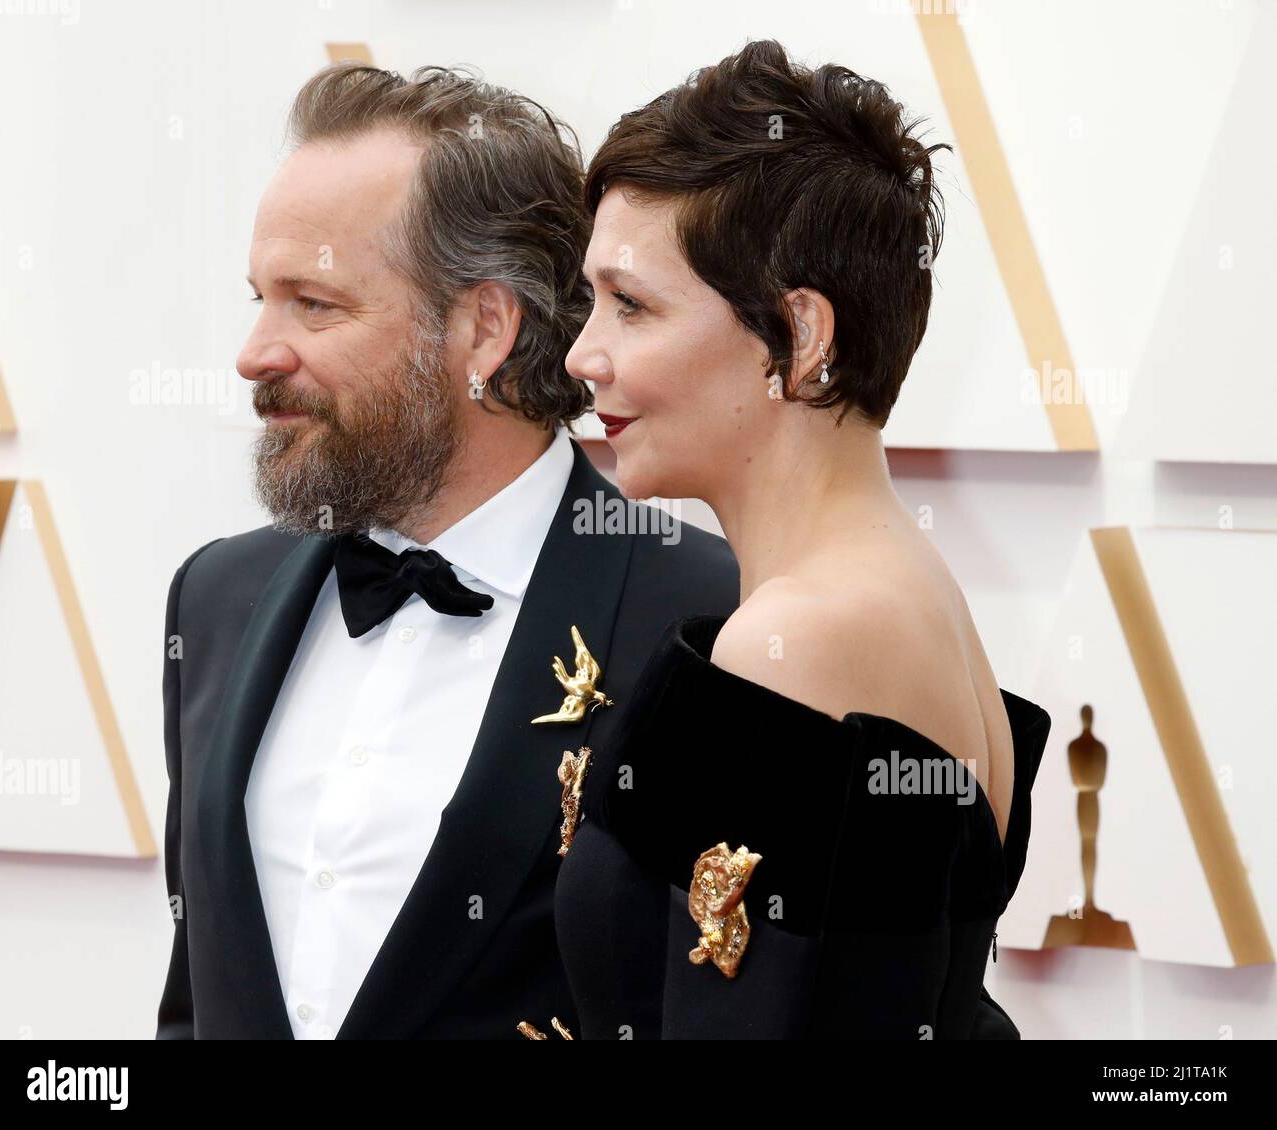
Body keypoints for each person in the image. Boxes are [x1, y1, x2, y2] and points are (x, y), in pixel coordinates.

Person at [155, 61, 738, 1039]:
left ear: (485, 329)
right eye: (259, 296)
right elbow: (195, 999)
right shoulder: (213, 597)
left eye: (314, 303)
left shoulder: (710, 622)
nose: (255, 351)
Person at [548, 39, 1051, 1039]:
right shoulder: (899, 598)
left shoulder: (809, 636)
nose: (580, 354)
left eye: (632, 305)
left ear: (799, 340)